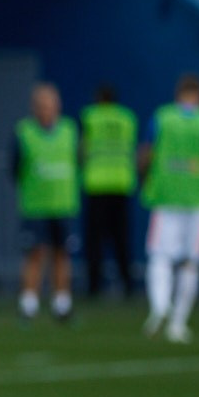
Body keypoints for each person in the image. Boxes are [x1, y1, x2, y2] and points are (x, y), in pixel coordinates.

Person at [139, 72, 199, 343]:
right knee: (190, 263)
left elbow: (145, 155)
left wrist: (145, 178)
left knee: (159, 255)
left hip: (166, 196)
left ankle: (159, 307)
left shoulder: (162, 117)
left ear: (178, 93)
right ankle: (178, 324)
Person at [11, 82, 79, 324]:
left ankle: (62, 305)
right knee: (35, 255)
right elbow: (15, 168)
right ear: (34, 108)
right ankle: (28, 305)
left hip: (63, 205)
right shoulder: (24, 132)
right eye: (41, 106)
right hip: (35, 206)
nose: (46, 110)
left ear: (58, 106)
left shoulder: (70, 130)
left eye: (50, 105)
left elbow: (78, 161)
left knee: (62, 255)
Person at [79, 85, 138, 298]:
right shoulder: (127, 118)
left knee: (95, 241)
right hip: (121, 183)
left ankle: (94, 286)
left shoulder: (90, 116)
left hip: (96, 183)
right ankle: (128, 285)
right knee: (121, 239)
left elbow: (82, 148)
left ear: (98, 99)